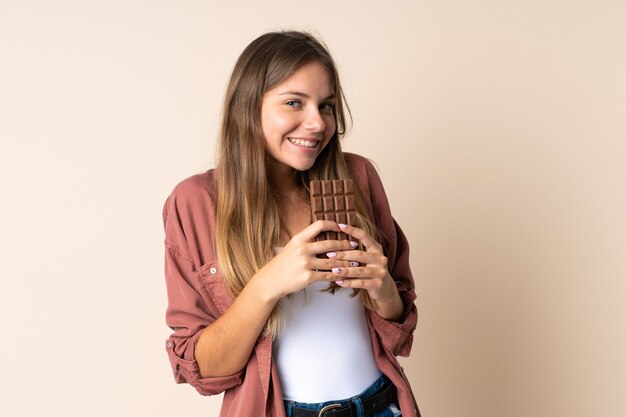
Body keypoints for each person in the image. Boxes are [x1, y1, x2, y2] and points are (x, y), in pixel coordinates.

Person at [163, 30, 420, 417]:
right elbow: (205, 371)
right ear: (248, 108)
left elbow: (399, 329)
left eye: (327, 105)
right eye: (294, 102)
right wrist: (267, 284)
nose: (317, 122)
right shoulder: (196, 203)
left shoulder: (358, 177)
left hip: (381, 406)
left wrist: (384, 290)